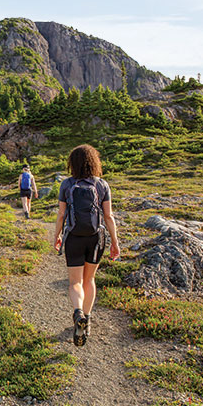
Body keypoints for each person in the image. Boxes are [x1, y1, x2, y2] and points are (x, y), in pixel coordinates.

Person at [53, 144, 119, 346]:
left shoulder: (67, 184)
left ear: (72, 163)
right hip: (96, 237)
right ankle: (87, 320)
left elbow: (62, 215)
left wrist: (57, 236)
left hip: (73, 236)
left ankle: (77, 311)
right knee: (89, 279)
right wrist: (115, 243)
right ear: (94, 162)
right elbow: (108, 216)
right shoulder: (102, 185)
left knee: (75, 282)